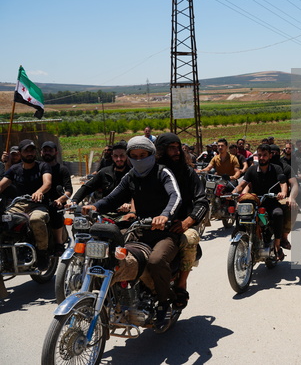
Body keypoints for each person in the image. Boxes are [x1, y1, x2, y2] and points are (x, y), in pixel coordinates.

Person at [83, 136, 181, 328]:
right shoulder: (130, 176)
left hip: (165, 233)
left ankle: (163, 302)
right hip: (140, 231)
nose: (139, 159)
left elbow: (174, 195)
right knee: (114, 258)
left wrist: (164, 215)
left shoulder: (163, 172)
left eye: (143, 155)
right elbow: (112, 198)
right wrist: (95, 207)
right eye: (134, 156)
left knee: (155, 260)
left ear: (152, 155)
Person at [155, 133, 209, 307]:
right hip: (152, 222)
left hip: (180, 224)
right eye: (171, 148)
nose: (177, 151)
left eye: (178, 147)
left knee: (190, 238)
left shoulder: (188, 173)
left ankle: (181, 284)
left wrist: (188, 221)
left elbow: (202, 201)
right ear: (161, 150)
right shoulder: (152, 170)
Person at [0, 140, 52, 269]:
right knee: (3, 220)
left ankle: (42, 253)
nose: (30, 153)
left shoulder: (43, 166)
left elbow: (47, 182)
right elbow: (2, 185)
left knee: (36, 219)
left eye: (32, 150)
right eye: (26, 151)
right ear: (20, 153)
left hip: (38, 204)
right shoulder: (14, 169)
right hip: (18, 205)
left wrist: (39, 191)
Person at [234, 144, 289, 260]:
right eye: (259, 155)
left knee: (278, 214)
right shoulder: (252, 169)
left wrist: (283, 193)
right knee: (239, 211)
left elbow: (283, 184)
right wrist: (233, 192)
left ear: (270, 156)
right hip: (255, 203)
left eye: (264, 155)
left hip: (271, 202)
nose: (262, 158)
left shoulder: (276, 169)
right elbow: (242, 185)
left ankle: (278, 244)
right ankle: (241, 235)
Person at [70, 141, 131, 208]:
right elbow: (87, 187)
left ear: (127, 156)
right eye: (116, 156)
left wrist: (129, 204)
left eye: (122, 156)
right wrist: (74, 201)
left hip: (126, 214)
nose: (119, 159)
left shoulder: (132, 174)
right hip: (106, 212)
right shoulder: (104, 172)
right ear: (112, 157)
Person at [40, 141, 72, 254]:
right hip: (39, 201)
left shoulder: (62, 169)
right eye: (45, 150)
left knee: (55, 211)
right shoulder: (38, 167)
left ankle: (58, 243)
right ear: (41, 152)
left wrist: (60, 200)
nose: (47, 153)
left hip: (56, 202)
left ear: (56, 152)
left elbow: (69, 190)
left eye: (50, 150)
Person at [269, 144, 298, 249]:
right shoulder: (260, 166)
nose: (273, 155)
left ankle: (284, 237)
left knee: (292, 207)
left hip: (280, 198)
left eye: (275, 153)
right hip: (262, 196)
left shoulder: (286, 167)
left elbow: (294, 184)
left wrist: (291, 197)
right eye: (270, 153)